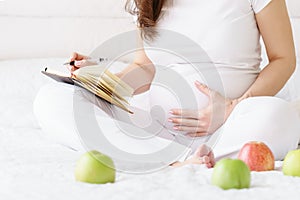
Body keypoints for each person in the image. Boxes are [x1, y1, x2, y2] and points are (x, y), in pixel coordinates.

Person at [34, 0, 300, 168]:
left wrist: (230, 108)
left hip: (230, 125)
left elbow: (283, 59)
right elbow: (144, 67)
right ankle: (173, 161)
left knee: (278, 117)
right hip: (156, 131)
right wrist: (97, 78)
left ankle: (158, 157)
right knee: (51, 100)